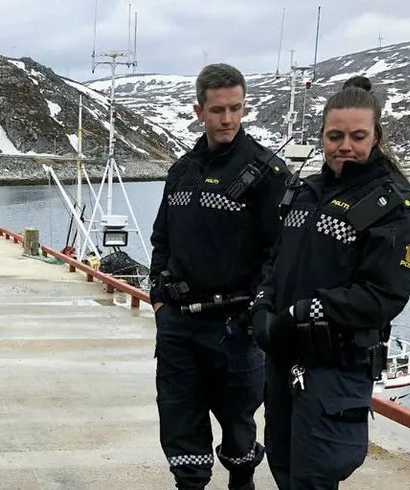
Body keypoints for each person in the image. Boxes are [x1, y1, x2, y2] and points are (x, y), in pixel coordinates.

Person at [249, 75, 410, 489]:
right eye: (335, 135)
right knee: (283, 467)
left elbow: (384, 296)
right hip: (283, 360)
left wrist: (298, 313)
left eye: (357, 135)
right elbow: (276, 260)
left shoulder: (394, 206)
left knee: (316, 477)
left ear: (376, 136)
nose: (345, 145)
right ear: (323, 136)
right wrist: (261, 306)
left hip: (335, 368)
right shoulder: (304, 193)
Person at [148, 63, 291, 490]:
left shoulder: (268, 173)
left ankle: (241, 481)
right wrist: (158, 296)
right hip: (178, 323)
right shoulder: (182, 170)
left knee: (238, 425)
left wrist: (259, 310)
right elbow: (161, 237)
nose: (227, 119)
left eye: (235, 108)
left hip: (236, 328)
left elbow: (281, 252)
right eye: (217, 110)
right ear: (199, 110)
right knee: (179, 419)